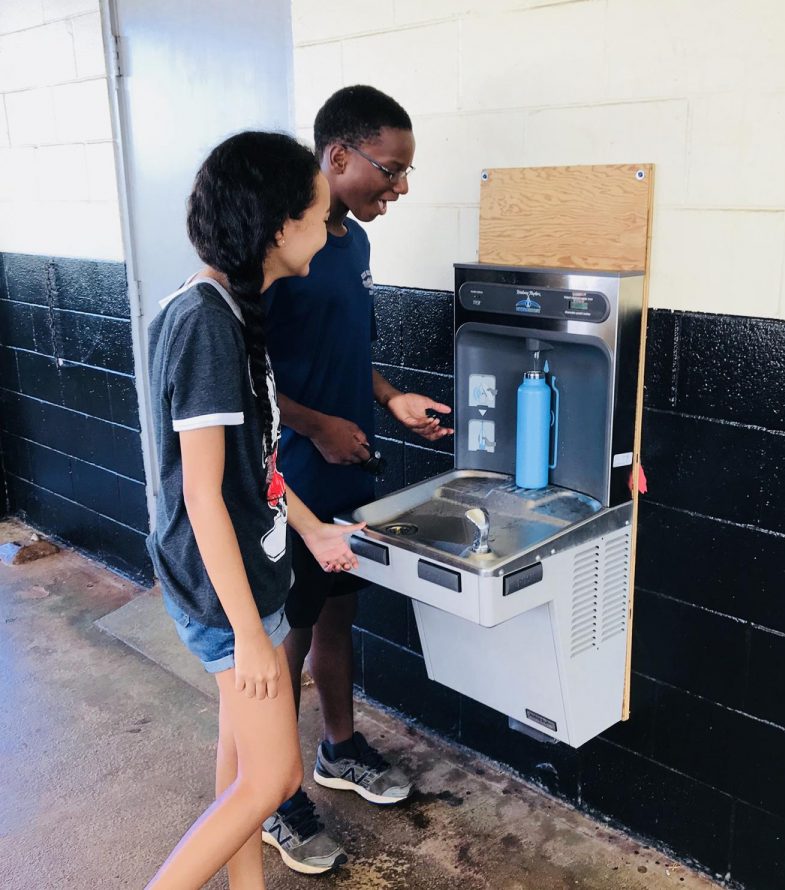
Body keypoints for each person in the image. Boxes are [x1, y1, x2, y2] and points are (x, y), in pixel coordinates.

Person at [144, 130, 363, 889]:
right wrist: (245, 635)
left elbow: (256, 469)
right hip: (225, 593)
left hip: (249, 576)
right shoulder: (205, 320)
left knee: (240, 764)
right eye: (317, 212)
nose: (328, 226)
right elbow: (202, 495)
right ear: (277, 227)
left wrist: (313, 529)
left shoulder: (236, 314)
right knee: (272, 782)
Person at [261, 85, 452, 873]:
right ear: (337, 157)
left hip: (352, 471)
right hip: (297, 481)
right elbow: (245, 381)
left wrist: (389, 398)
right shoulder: (279, 251)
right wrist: (312, 425)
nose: (399, 188)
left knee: (337, 620)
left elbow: (347, 357)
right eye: (391, 169)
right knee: (285, 641)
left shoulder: (354, 246)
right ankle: (274, 794)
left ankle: (339, 748)